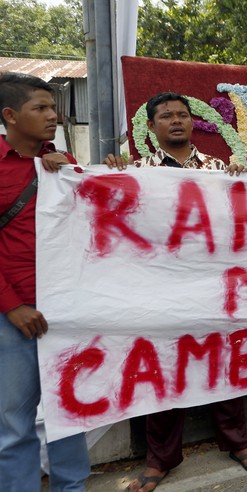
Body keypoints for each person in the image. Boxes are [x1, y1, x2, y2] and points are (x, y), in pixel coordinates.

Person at [103, 92, 247, 492]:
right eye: (166, 116)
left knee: (226, 365)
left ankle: (237, 442)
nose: (176, 121)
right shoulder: (135, 171)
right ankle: (160, 459)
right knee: (164, 373)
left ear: (193, 123)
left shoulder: (220, 170)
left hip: (214, 288)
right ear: (152, 126)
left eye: (182, 115)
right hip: (160, 292)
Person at [0, 71, 90, 491]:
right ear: (11, 116)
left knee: (67, 409)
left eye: (53, 108)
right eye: (40, 108)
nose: (52, 116)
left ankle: (71, 486)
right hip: (12, 315)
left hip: (64, 309)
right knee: (14, 421)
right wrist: (12, 306)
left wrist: (74, 173)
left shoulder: (65, 166)